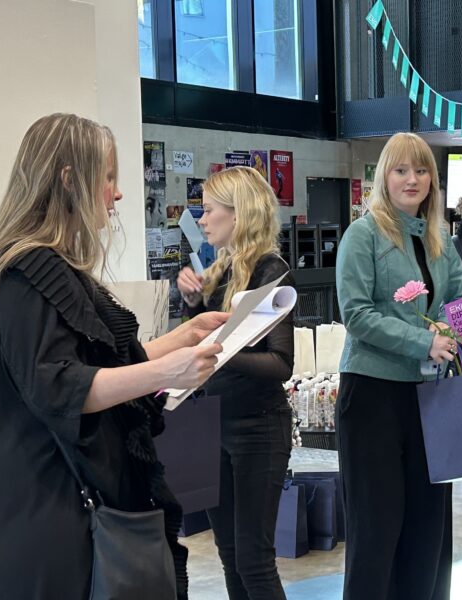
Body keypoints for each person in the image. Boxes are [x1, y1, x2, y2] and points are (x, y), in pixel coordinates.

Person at [0, 113, 226, 600]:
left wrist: (183, 338)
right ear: (69, 180)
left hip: (56, 505)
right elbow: (60, 386)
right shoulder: (24, 273)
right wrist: (166, 371)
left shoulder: (50, 268)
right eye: (107, 178)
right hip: (39, 512)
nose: (117, 194)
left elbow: (98, 363)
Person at [335, 132, 462, 600]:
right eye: (401, 170)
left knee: (428, 525)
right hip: (373, 393)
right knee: (376, 527)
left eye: (421, 170)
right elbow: (355, 315)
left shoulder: (439, 238)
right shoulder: (363, 234)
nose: (412, 179)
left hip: (430, 397)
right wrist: (424, 341)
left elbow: (460, 301)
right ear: (383, 177)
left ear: (432, 179)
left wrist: (460, 329)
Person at [176, 166, 295, 600]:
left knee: (253, 560)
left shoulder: (270, 270)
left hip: (258, 428)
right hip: (214, 425)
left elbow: (280, 363)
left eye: (209, 210)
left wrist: (218, 350)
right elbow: (205, 346)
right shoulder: (219, 271)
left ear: (238, 213)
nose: (203, 220)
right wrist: (193, 305)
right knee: (229, 554)